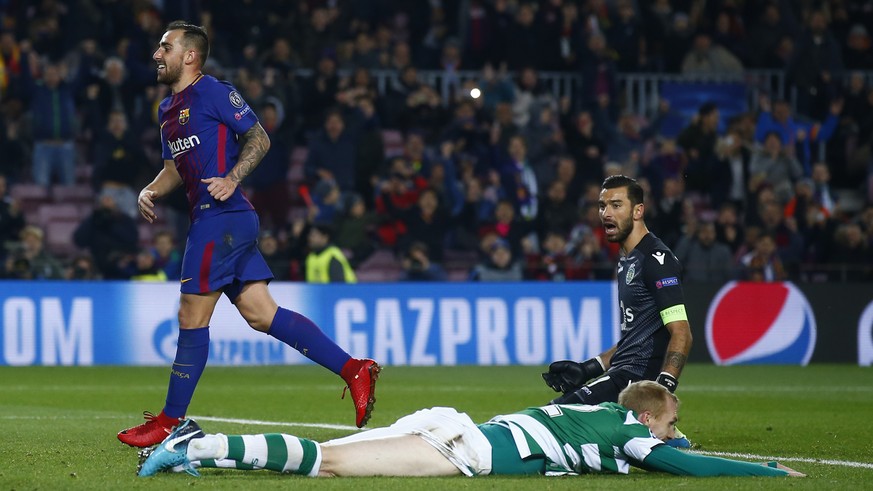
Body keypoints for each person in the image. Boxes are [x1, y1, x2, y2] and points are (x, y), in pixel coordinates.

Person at [121, 21, 380, 448]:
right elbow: (172, 170)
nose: (156, 54)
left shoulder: (215, 92)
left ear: (189, 56)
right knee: (261, 314)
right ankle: (354, 369)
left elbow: (259, 138)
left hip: (221, 215)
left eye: (164, 47)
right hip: (217, 220)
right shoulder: (168, 111)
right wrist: (150, 189)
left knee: (191, 314)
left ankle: (171, 421)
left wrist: (232, 177)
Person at [137, 381, 804, 479]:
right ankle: (197, 445)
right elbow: (683, 465)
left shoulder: (604, 414)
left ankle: (202, 445)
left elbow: (669, 446)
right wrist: (766, 472)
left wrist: (675, 440)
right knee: (328, 463)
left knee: (330, 456)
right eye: (669, 423)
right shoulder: (627, 428)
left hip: (455, 424)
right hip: (462, 447)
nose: (670, 433)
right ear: (650, 415)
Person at [541, 175, 693, 445]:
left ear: (638, 211)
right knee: (550, 419)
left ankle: (661, 430)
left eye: (616, 205)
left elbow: (681, 333)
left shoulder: (657, 260)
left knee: (548, 423)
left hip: (634, 382)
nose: (605, 213)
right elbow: (637, 336)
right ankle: (667, 437)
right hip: (621, 375)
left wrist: (661, 392)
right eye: (602, 206)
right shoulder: (627, 260)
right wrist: (589, 368)